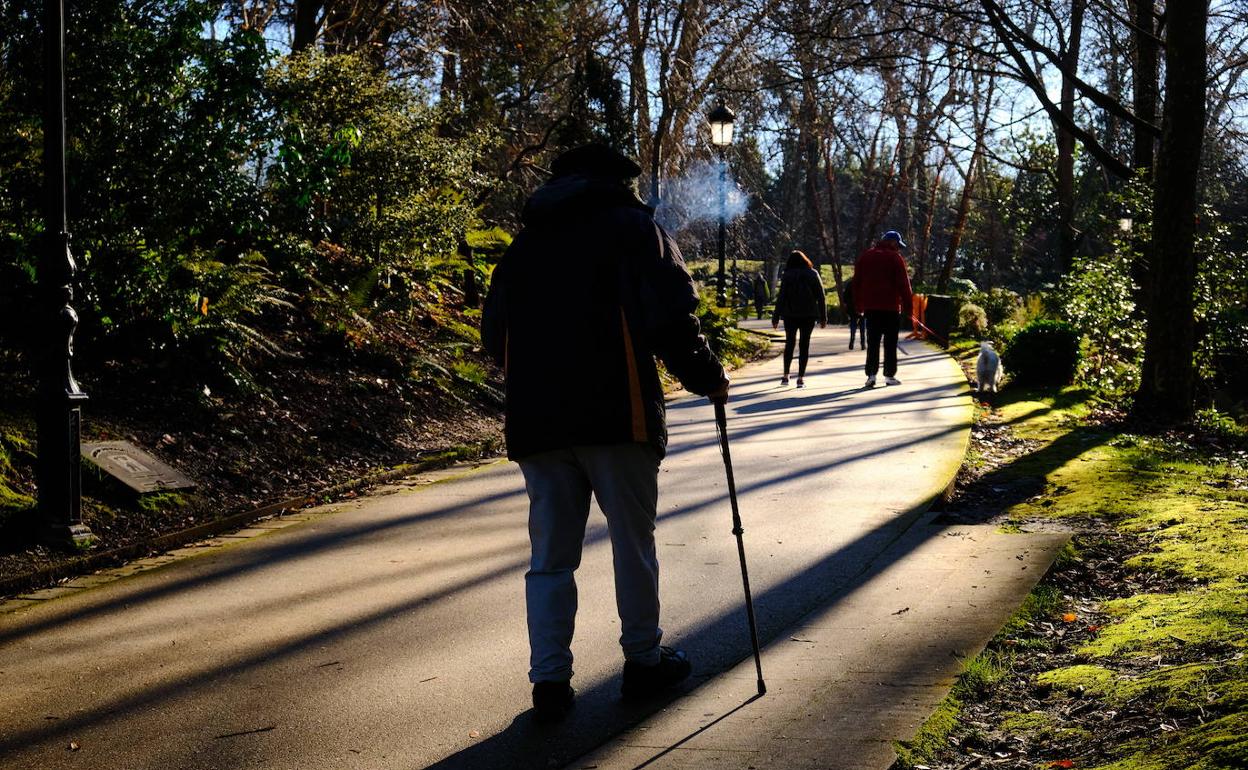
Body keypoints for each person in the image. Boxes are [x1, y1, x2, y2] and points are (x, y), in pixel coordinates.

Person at [481, 143, 730, 722]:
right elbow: (671, 316)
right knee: (631, 544)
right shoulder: (632, 230)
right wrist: (707, 378)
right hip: (619, 415)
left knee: (550, 558)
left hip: (539, 421)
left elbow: (497, 337)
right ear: (616, 181)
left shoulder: (522, 247)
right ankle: (643, 660)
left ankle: (549, 681)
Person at [852, 230, 914, 388]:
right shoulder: (895, 258)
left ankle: (871, 376)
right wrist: (909, 308)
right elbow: (904, 286)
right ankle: (889, 375)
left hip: (871, 308)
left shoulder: (866, 256)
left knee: (872, 342)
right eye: (898, 245)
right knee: (890, 343)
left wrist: (858, 305)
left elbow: (856, 282)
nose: (899, 249)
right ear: (893, 243)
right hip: (891, 308)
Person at [770, 250, 827, 388]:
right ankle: (800, 378)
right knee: (804, 345)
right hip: (809, 314)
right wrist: (823, 317)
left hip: (790, 314)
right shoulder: (813, 274)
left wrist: (776, 316)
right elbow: (821, 296)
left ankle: (785, 376)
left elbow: (781, 296)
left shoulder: (787, 275)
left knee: (790, 343)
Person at [842, 277, 864, 350]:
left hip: (852, 308)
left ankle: (852, 340)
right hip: (862, 307)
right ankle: (863, 343)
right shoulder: (864, 284)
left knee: (853, 325)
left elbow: (845, 296)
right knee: (862, 326)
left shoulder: (850, 284)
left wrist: (847, 305)